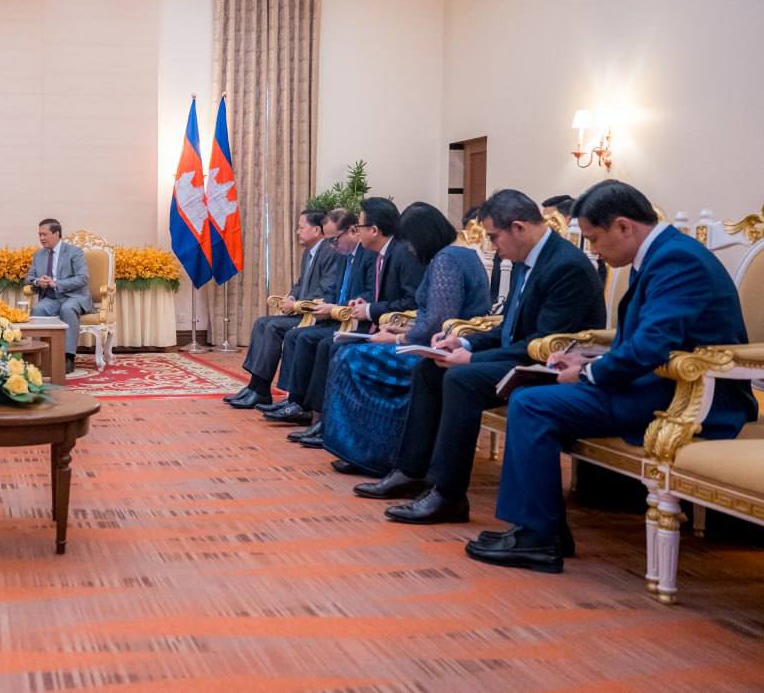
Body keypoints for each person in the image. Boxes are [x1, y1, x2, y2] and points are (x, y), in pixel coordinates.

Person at [465, 181, 757, 573]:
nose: (593, 250)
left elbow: (652, 346)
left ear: (623, 226)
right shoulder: (663, 254)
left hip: (686, 398)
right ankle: (540, 531)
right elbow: (647, 340)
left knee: (532, 404)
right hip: (657, 384)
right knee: (532, 397)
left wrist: (587, 372)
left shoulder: (677, 260)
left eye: (594, 238)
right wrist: (588, 357)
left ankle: (538, 537)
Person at [354, 189, 605, 523]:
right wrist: (464, 343)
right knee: (429, 369)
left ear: (518, 228)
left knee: (462, 379)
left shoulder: (565, 266)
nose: (492, 246)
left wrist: (471, 360)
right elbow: (508, 328)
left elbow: (543, 343)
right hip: (524, 352)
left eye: (494, 236)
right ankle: (412, 471)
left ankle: (448, 494)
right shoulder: (527, 260)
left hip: (550, 363)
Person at [321, 202, 490, 474]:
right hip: (432, 339)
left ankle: (371, 452)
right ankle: (366, 448)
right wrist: (402, 330)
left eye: (410, 241)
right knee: (349, 353)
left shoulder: (446, 260)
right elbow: (433, 317)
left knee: (351, 358)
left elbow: (437, 319)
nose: (409, 249)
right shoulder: (458, 254)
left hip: (436, 348)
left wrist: (398, 339)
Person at [263, 198, 425, 456]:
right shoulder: (368, 254)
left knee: (327, 344)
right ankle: (307, 409)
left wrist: (367, 308)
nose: (332, 244)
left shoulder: (396, 254)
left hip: (377, 325)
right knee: (303, 337)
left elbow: (410, 301)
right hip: (356, 317)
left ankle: (323, 419)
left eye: (359, 227)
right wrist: (357, 305)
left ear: (371, 229)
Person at [262, 209, 368, 433]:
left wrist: (330, 308)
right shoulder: (344, 256)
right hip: (332, 315)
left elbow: (363, 295)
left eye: (334, 239)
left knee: (314, 341)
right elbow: (327, 289)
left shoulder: (365, 257)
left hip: (350, 320)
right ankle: (295, 400)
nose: (331, 245)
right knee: (296, 335)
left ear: (353, 231)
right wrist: (321, 306)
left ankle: (314, 412)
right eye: (328, 240)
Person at [225, 209, 339, 409]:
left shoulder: (330, 252)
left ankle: (261, 390)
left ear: (316, 230)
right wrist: (292, 297)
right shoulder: (309, 252)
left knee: (273, 327)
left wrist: (296, 305)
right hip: (301, 311)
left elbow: (327, 289)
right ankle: (255, 386)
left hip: (315, 315)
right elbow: (301, 283)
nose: (297, 231)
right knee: (262, 323)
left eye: (301, 227)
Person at [24, 218, 92, 372]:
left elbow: (82, 278)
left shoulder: (74, 252)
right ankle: (41, 355)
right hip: (52, 298)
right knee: (38, 309)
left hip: (73, 296)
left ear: (56, 234)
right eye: (39, 235)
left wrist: (56, 283)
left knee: (67, 309)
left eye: (44, 234)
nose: (41, 238)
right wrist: (38, 282)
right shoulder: (38, 255)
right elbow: (29, 278)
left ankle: (68, 357)